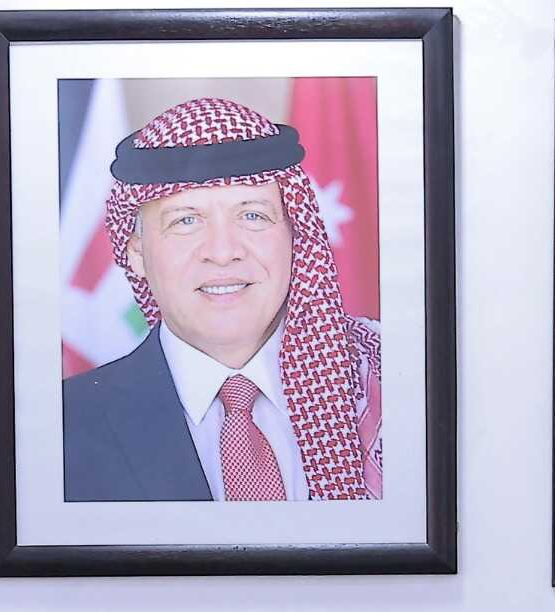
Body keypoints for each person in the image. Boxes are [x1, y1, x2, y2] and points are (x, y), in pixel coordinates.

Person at [63, 96, 384, 503]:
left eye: (253, 216)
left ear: (296, 237)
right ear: (137, 255)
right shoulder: (62, 428)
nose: (222, 251)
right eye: (186, 220)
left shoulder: (387, 384)